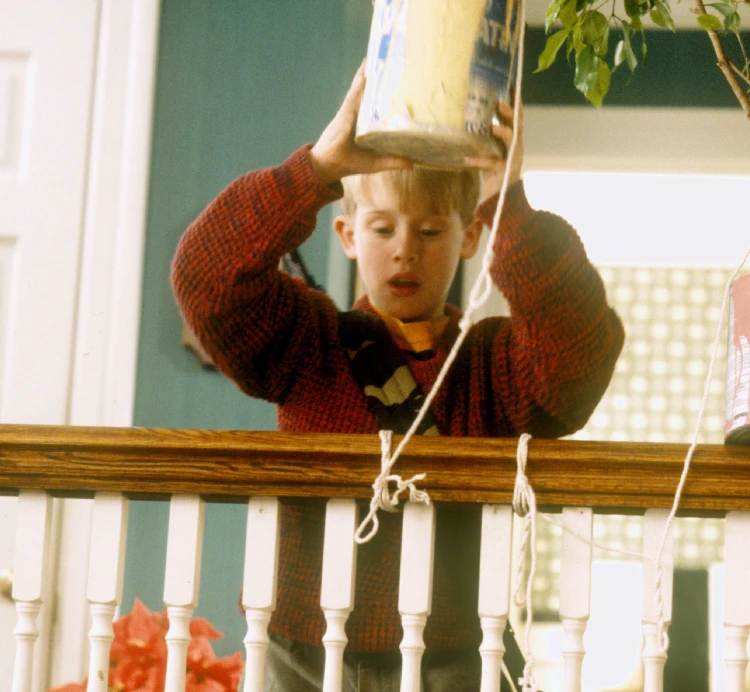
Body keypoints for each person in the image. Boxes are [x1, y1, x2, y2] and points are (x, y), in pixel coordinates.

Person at [172, 62, 624, 691]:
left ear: (471, 237)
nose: (405, 248)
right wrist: (316, 170)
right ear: (347, 235)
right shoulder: (308, 342)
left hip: (453, 652)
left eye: (430, 230)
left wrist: (509, 202)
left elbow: (578, 354)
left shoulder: (491, 366)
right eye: (383, 228)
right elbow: (205, 279)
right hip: (301, 645)